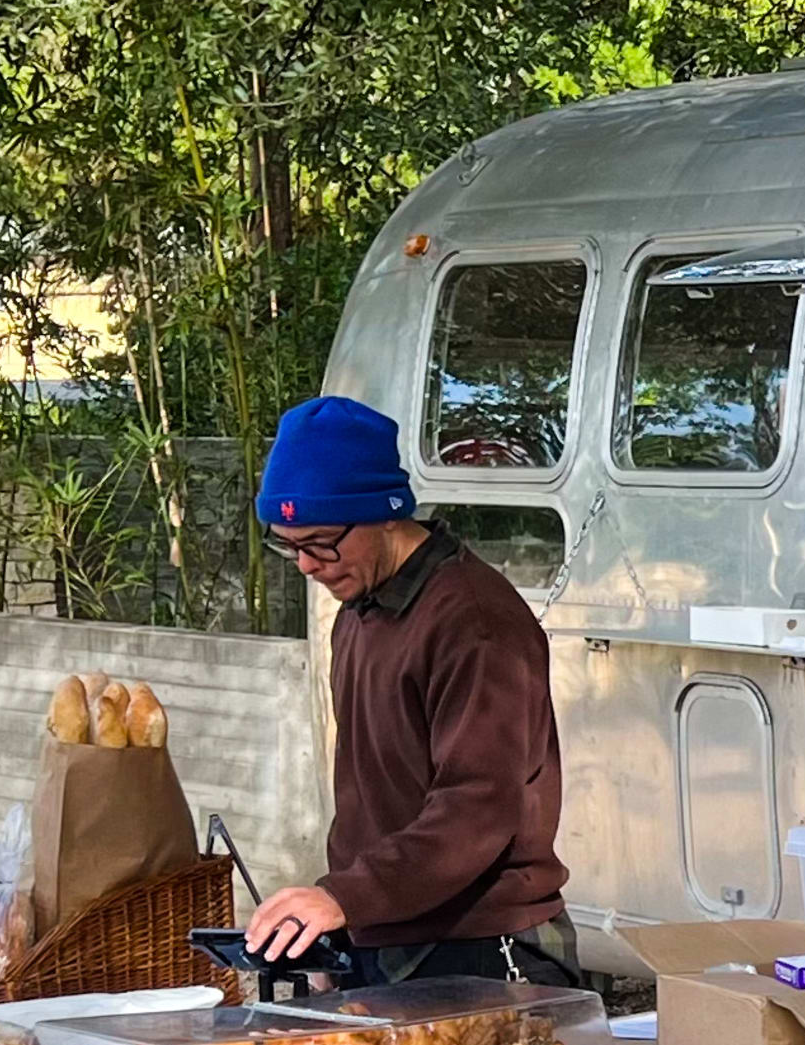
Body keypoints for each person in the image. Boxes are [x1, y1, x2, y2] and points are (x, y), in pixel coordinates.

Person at [240, 395, 571, 983]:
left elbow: (478, 805)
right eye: (287, 544)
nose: (306, 565)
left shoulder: (475, 622)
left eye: (319, 541)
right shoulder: (359, 607)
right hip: (387, 928)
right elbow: (369, 795)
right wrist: (344, 927)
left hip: (482, 943)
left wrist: (348, 898)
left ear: (386, 512)